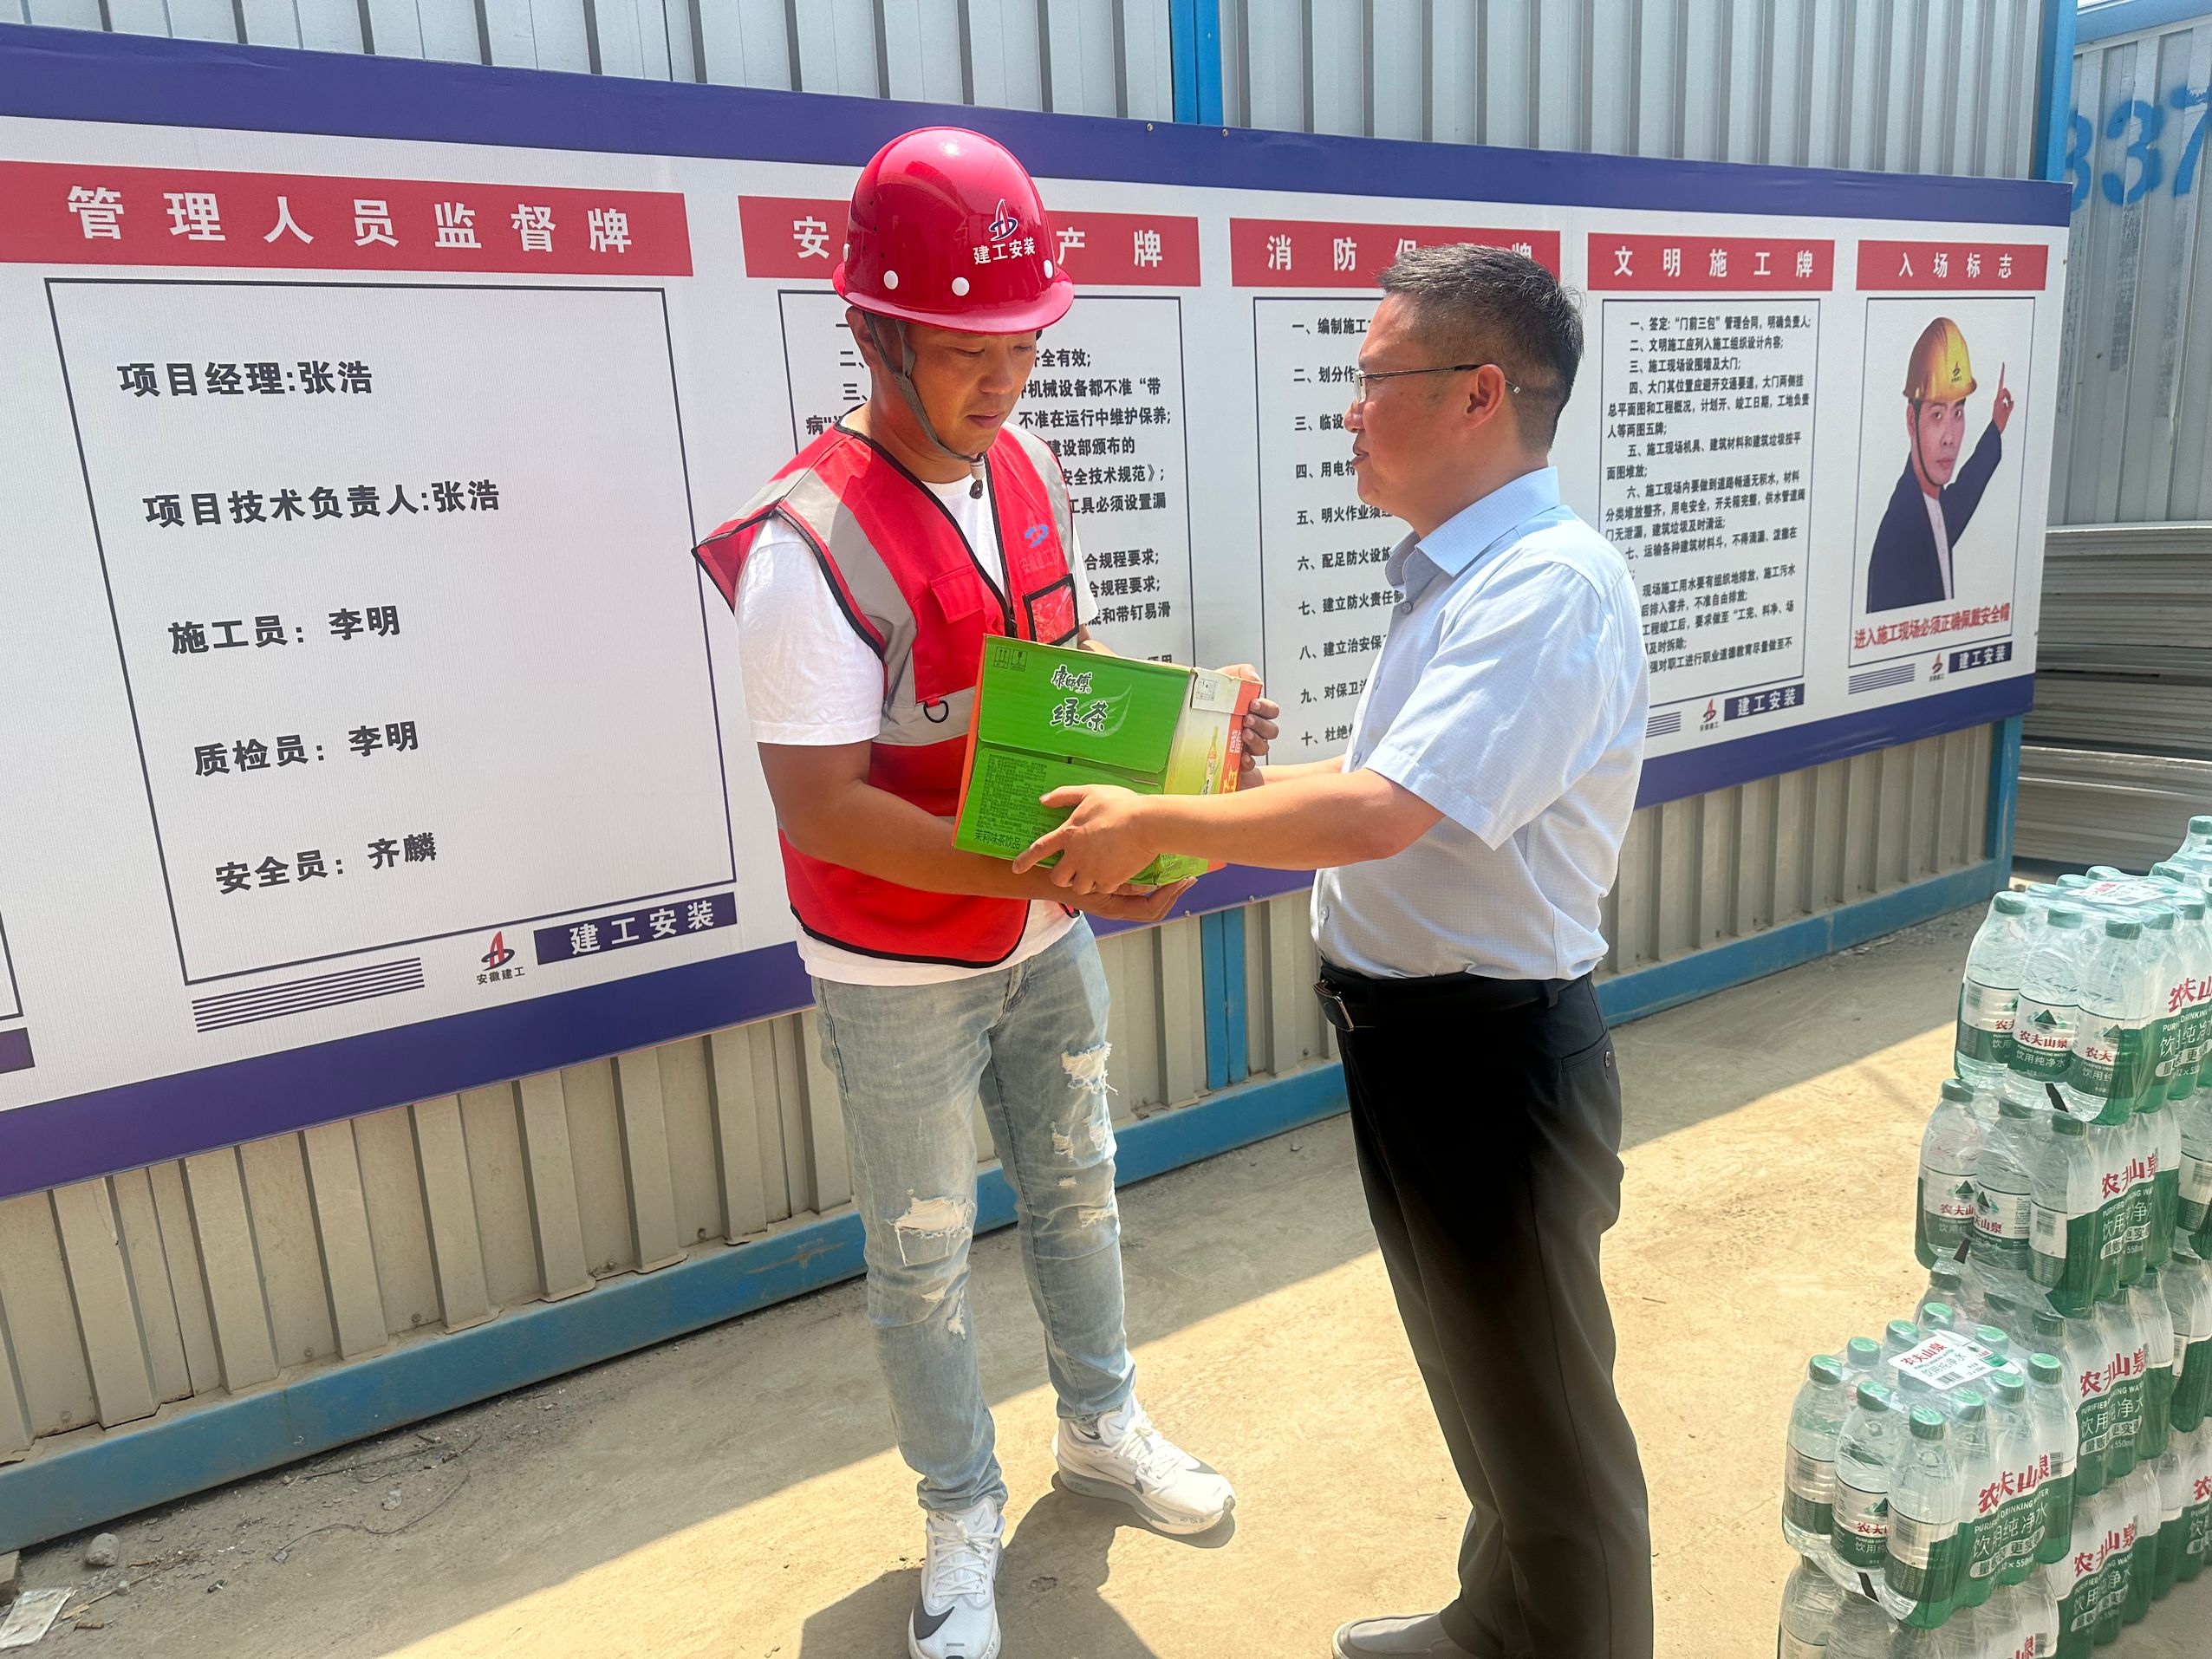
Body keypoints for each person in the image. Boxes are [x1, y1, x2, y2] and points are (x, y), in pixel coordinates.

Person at [1016, 244, 1655, 1658]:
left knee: (1549, 1427)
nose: (1349, 410)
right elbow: (1383, 781)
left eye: (1374, 379)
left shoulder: (1546, 585)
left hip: (1492, 1058)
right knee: (1483, 1384)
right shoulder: (1463, 574)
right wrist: (1212, 787)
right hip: (1420, 1047)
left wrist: (1160, 821)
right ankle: (1498, 1618)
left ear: (1479, 394)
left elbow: (1377, 815)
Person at [693, 128, 1271, 1659]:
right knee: (923, 1247)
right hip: (898, 967)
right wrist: (1056, 863)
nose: (1003, 381)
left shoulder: (1026, 470)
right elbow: (824, 807)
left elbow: (1052, 684)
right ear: (873, 332)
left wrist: (1185, 755)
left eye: (1022, 345)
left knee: (1078, 1182)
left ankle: (1099, 1425)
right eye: (966, 350)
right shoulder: (805, 548)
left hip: (1042, 930)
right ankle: (959, 1509)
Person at [1864, 316, 2015, 614]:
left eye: (1957, 413)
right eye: (1936, 415)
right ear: (1912, 421)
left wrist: (1996, 426)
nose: (1950, 437)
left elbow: (1966, 491)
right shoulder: (1899, 536)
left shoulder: (1932, 507)